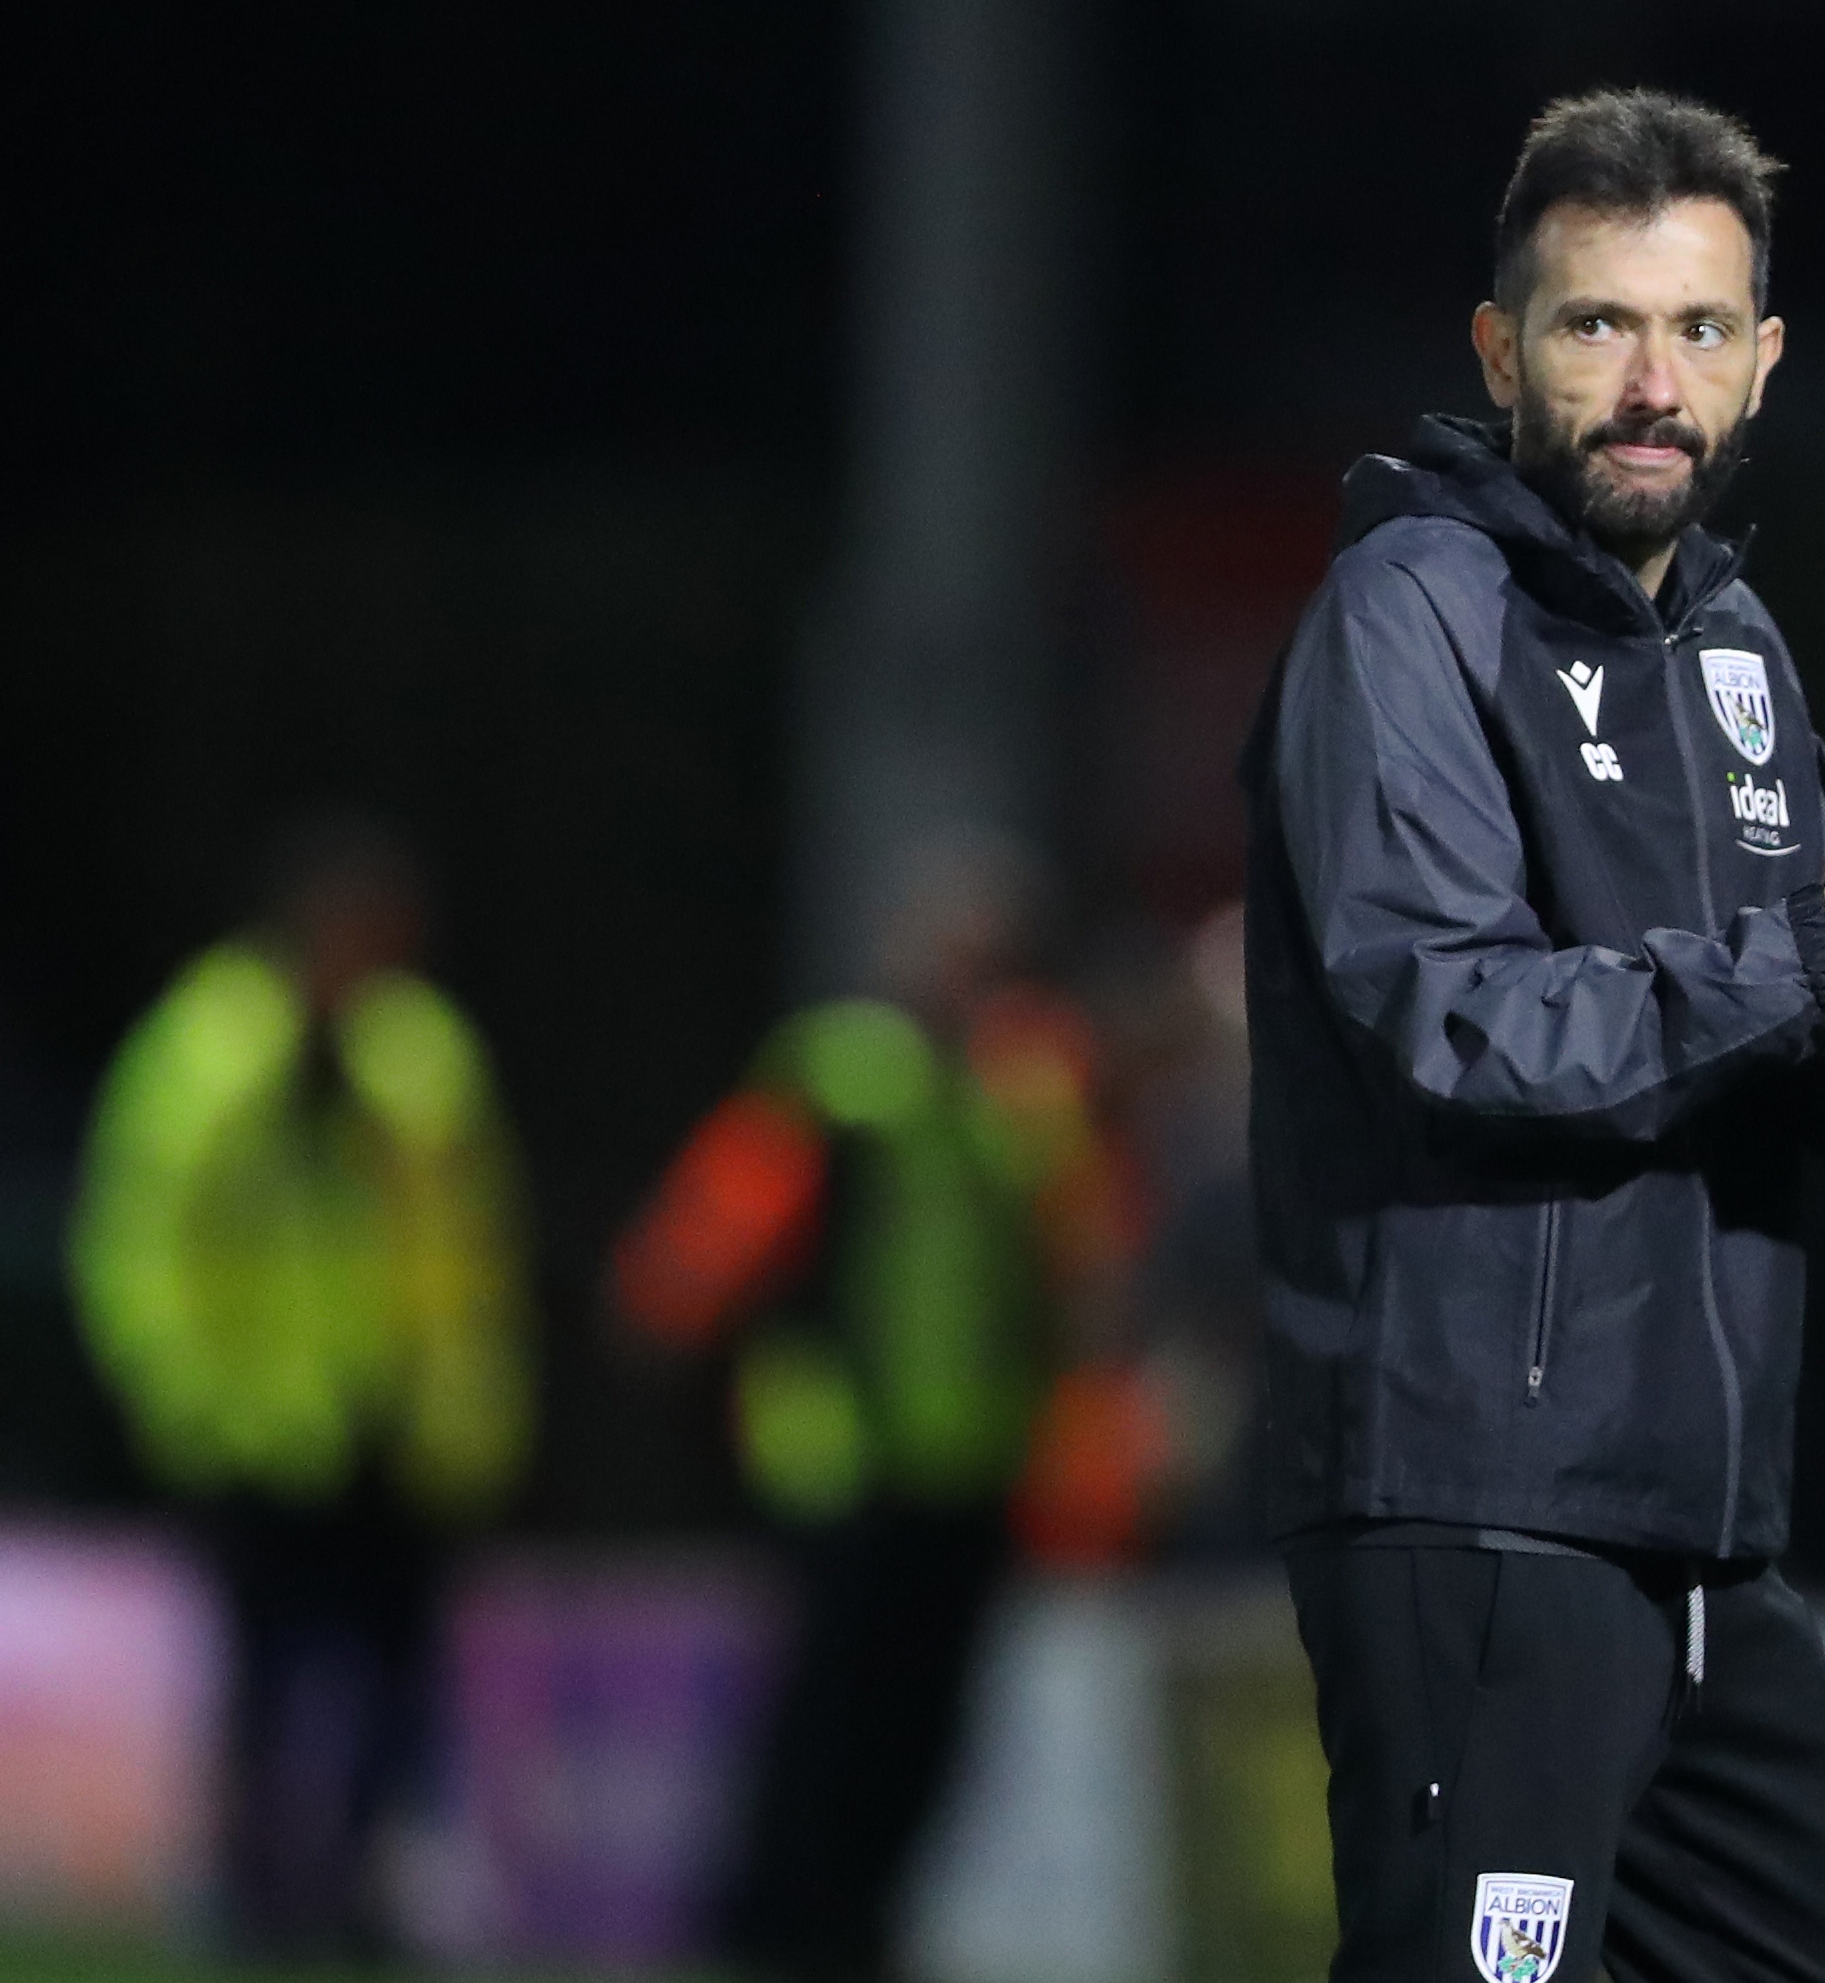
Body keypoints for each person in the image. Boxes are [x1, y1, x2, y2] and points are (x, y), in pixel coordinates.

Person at [1239, 88, 1825, 1983]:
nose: (1648, 380)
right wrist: (1823, 947)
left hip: (1700, 1530)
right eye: (1594, 323)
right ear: (1496, 347)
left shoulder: (1735, 649)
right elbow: (1452, 1022)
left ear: (1762, 362)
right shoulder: (1407, 614)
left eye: (1696, 329)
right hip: (1479, 1509)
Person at [611, 833, 1127, 1983]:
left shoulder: (1027, 1090)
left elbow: (1082, 1260)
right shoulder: (841, 1074)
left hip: (974, 1458)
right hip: (841, 1451)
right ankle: (776, 1921)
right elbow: (723, 1224)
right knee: (825, 1715)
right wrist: (670, 1309)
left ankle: (864, 1923)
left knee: (926, 1721)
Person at [72, 815, 532, 1957]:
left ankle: (360, 1888)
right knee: (266, 1673)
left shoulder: (421, 1052)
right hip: (257, 1424)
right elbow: (140, 1236)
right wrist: (178, 1386)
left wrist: (474, 1408)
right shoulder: (209, 1045)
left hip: (397, 1423)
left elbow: (470, 1249)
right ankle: (254, 1890)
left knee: (395, 1676)